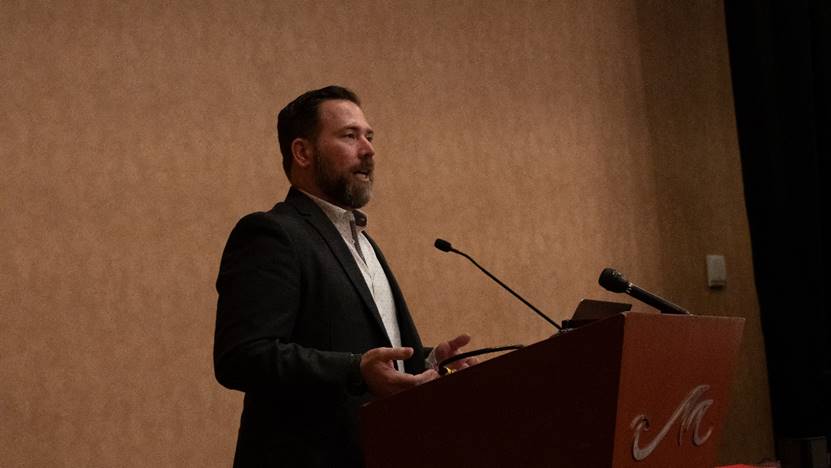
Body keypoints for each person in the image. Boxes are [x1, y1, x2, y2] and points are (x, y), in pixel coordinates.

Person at [213, 85, 473, 467]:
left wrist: (428, 362)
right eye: (350, 136)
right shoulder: (272, 234)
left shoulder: (363, 242)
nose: (368, 150)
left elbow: (359, 348)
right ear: (303, 152)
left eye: (369, 137)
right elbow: (242, 357)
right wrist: (355, 370)